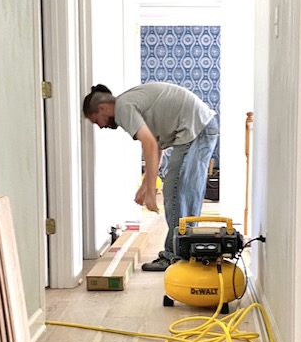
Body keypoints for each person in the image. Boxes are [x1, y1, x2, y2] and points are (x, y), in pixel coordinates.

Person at [83, 81, 219, 271]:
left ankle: (174, 256)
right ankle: (186, 252)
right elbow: (157, 146)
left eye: (96, 120)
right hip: (202, 127)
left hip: (196, 130)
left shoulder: (123, 107)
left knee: (175, 190)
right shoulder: (130, 102)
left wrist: (151, 193)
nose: (99, 126)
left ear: (102, 108)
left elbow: (150, 145)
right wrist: (145, 185)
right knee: (186, 195)